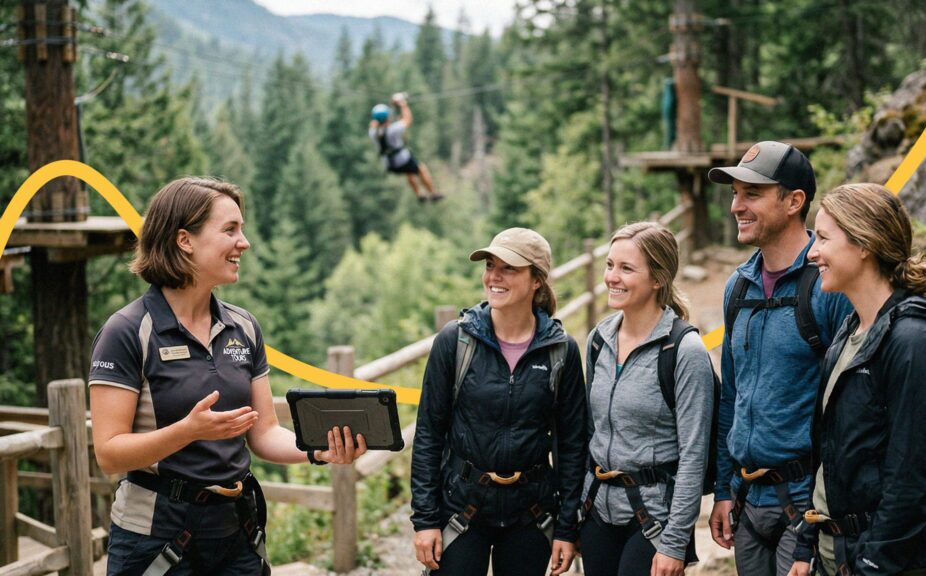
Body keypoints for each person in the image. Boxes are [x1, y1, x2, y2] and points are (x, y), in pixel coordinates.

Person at [89, 177, 367, 576]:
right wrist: (188, 431)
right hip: (153, 535)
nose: (244, 243)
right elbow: (109, 454)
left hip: (235, 530)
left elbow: (264, 432)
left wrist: (317, 450)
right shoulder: (126, 331)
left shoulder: (244, 327)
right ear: (185, 240)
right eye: (230, 230)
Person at [788, 183, 926, 576]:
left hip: (884, 564)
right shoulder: (849, 331)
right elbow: (831, 454)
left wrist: (871, 564)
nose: (811, 252)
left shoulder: (914, 342)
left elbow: (912, 478)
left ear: (864, 244)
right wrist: (806, 543)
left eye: (823, 238)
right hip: (833, 554)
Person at [706, 141, 853, 576]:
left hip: (805, 502)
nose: (736, 206)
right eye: (735, 194)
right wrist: (723, 490)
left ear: (794, 201)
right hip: (747, 502)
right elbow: (731, 395)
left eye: (752, 194)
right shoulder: (738, 287)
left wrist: (821, 508)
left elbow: (847, 410)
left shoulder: (828, 285)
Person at [410, 228, 587, 576]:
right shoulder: (455, 341)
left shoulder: (560, 350)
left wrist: (566, 528)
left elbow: (572, 445)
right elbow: (429, 433)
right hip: (462, 509)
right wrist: (425, 520)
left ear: (537, 280)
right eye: (490, 265)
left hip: (531, 514)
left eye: (509, 268)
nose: (494, 276)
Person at [579, 221, 716, 576]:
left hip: (654, 519)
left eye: (626, 268)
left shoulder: (684, 351)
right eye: (610, 265)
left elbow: (694, 454)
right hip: (597, 512)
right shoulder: (598, 340)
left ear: (657, 279)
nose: (612, 277)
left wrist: (675, 542)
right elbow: (591, 431)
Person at [369, 92, 442, 202]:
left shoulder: (373, 132)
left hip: (389, 164)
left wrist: (391, 108)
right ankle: (433, 193)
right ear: (387, 117)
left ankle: (419, 194)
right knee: (421, 169)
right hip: (402, 159)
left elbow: (375, 123)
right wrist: (403, 105)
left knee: (410, 173)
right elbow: (408, 119)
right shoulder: (394, 129)